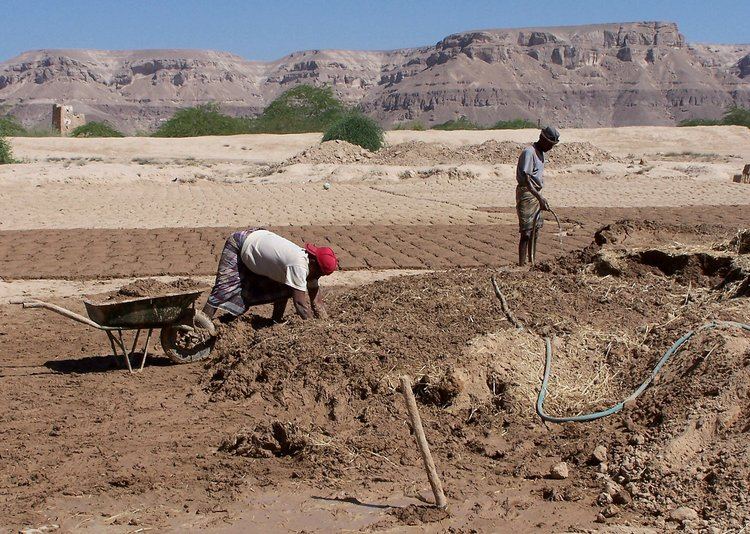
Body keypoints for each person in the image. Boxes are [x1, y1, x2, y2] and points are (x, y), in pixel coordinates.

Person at [202, 228, 338, 322]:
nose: (318, 278)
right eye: (320, 274)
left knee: (287, 287)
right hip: (239, 243)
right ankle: (199, 325)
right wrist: (312, 327)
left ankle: (275, 321)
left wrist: (325, 323)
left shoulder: (310, 266)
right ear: (314, 262)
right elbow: (300, 304)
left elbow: (316, 300)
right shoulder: (298, 265)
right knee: (223, 290)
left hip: (258, 242)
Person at [515, 126, 559, 266]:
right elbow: (527, 178)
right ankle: (522, 265)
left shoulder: (541, 153)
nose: (551, 148)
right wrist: (539, 198)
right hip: (527, 193)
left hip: (536, 192)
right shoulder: (530, 152)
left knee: (535, 230)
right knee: (526, 232)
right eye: (550, 145)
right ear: (542, 139)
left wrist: (539, 196)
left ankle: (531, 262)